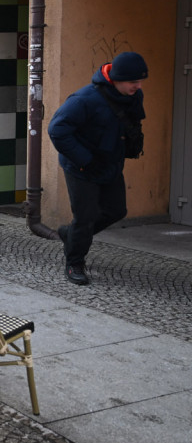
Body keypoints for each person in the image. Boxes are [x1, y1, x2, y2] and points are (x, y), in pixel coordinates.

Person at [48, 52, 148, 286]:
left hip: (110, 163)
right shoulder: (85, 99)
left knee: (116, 210)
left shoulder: (134, 96)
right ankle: (74, 262)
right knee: (85, 216)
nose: (139, 85)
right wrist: (85, 159)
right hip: (81, 166)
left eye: (141, 81)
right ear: (117, 79)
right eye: (133, 81)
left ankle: (70, 235)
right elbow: (57, 130)